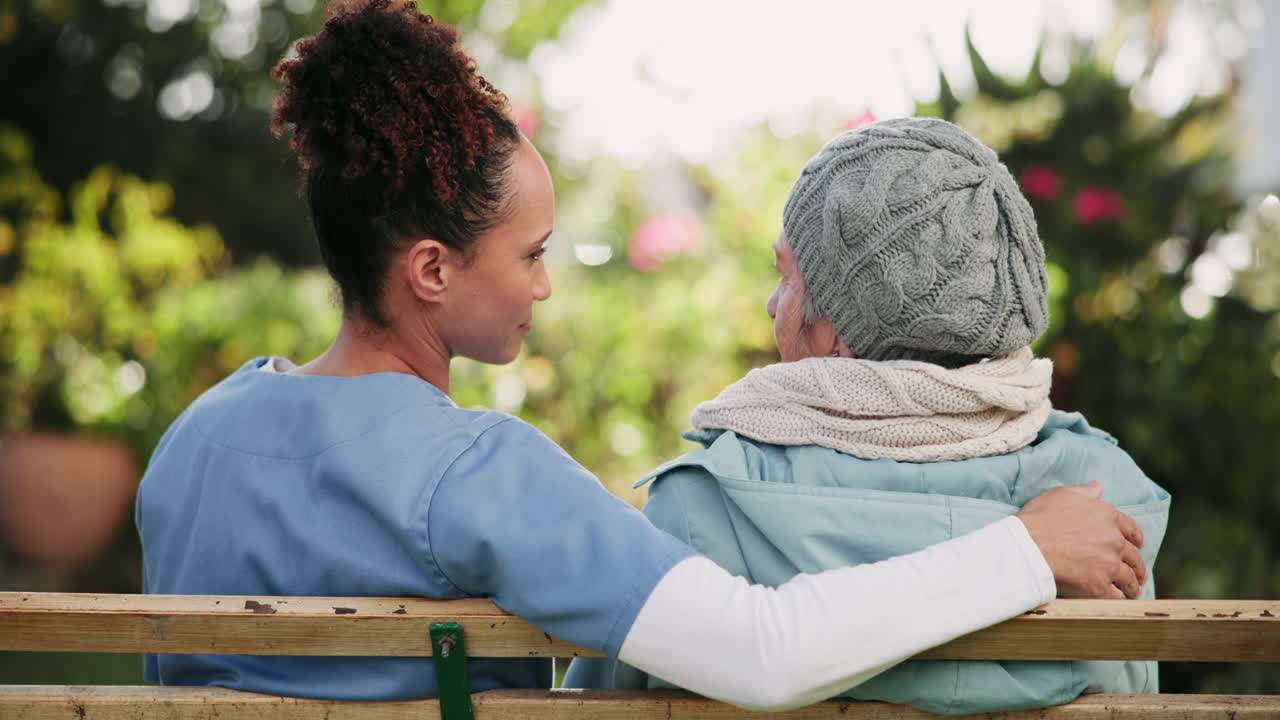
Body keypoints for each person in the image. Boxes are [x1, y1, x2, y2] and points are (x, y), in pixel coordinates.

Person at [134, 1, 1148, 712]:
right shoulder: (480, 475)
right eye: (530, 255)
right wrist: (1024, 549)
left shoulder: (196, 439)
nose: (542, 286)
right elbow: (763, 651)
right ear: (432, 269)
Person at [564, 118, 1170, 714]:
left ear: (839, 329)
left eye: (786, 277)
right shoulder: (1106, 504)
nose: (772, 304)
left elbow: (599, 703)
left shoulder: (706, 506)